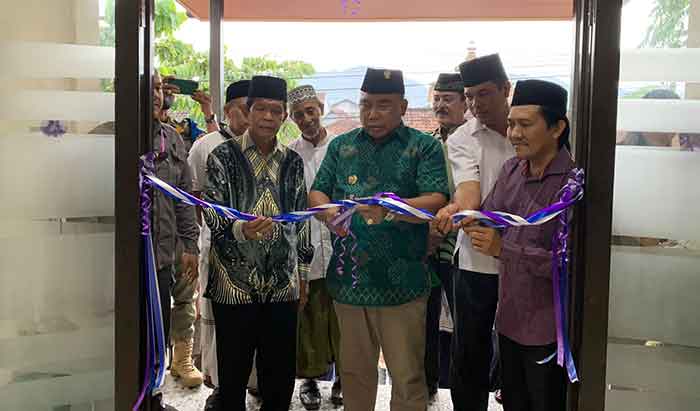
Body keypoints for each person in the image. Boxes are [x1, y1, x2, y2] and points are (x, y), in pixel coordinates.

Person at [309, 67, 449, 411]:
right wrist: (328, 213)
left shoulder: (424, 147)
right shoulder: (342, 146)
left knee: (408, 376)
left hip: (403, 283)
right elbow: (318, 192)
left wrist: (390, 208)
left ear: (402, 107)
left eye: (383, 105)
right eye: (366, 104)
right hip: (350, 282)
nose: (372, 113)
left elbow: (436, 198)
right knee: (355, 373)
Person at [203, 75, 313, 411]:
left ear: (284, 117)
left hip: (282, 286)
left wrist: (303, 274)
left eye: (276, 111)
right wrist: (242, 230)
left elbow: (301, 218)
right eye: (261, 109)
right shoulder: (222, 156)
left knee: (278, 379)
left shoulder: (293, 162)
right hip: (232, 285)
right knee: (233, 378)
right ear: (247, 112)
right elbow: (212, 211)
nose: (268, 117)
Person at [463, 79, 574, 411]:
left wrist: (503, 248)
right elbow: (491, 214)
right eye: (511, 123)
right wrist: (467, 217)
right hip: (509, 319)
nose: (513, 133)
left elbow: (566, 263)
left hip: (547, 331)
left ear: (557, 128)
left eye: (525, 124)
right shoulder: (512, 169)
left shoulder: (572, 185)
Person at [434, 53, 515, 411]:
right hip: (475, 259)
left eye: (484, 94)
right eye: (469, 96)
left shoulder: (529, 127)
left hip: (524, 260)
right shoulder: (463, 138)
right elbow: (469, 188)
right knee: (469, 349)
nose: (475, 104)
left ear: (505, 89)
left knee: (519, 347)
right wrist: (458, 209)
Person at [187, 79, 250, 410]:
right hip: (217, 249)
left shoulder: (264, 146)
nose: (252, 114)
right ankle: (223, 387)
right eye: (244, 107)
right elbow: (195, 198)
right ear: (227, 111)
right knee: (219, 321)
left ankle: (254, 383)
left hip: (260, 254)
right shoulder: (205, 145)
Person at [286, 85, 343, 409]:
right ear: (291, 119)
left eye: (310, 111)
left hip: (341, 246)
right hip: (306, 248)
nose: (306, 119)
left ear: (320, 107)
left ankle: (343, 379)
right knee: (308, 317)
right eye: (298, 115)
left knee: (342, 318)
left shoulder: (341, 147)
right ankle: (309, 381)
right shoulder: (290, 154)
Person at [150, 70, 200, 411]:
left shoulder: (172, 138)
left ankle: (154, 395)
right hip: (125, 258)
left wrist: (191, 245)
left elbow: (184, 199)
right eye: (148, 87)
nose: (156, 94)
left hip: (165, 255)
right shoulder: (111, 134)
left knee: (159, 327)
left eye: (158, 87)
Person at [424, 72, 467, 399]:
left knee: (466, 325)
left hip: (462, 246)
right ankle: (427, 387)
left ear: (464, 102)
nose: (440, 105)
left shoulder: (473, 140)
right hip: (427, 246)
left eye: (447, 99)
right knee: (423, 322)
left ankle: (466, 394)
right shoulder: (427, 143)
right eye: (437, 98)